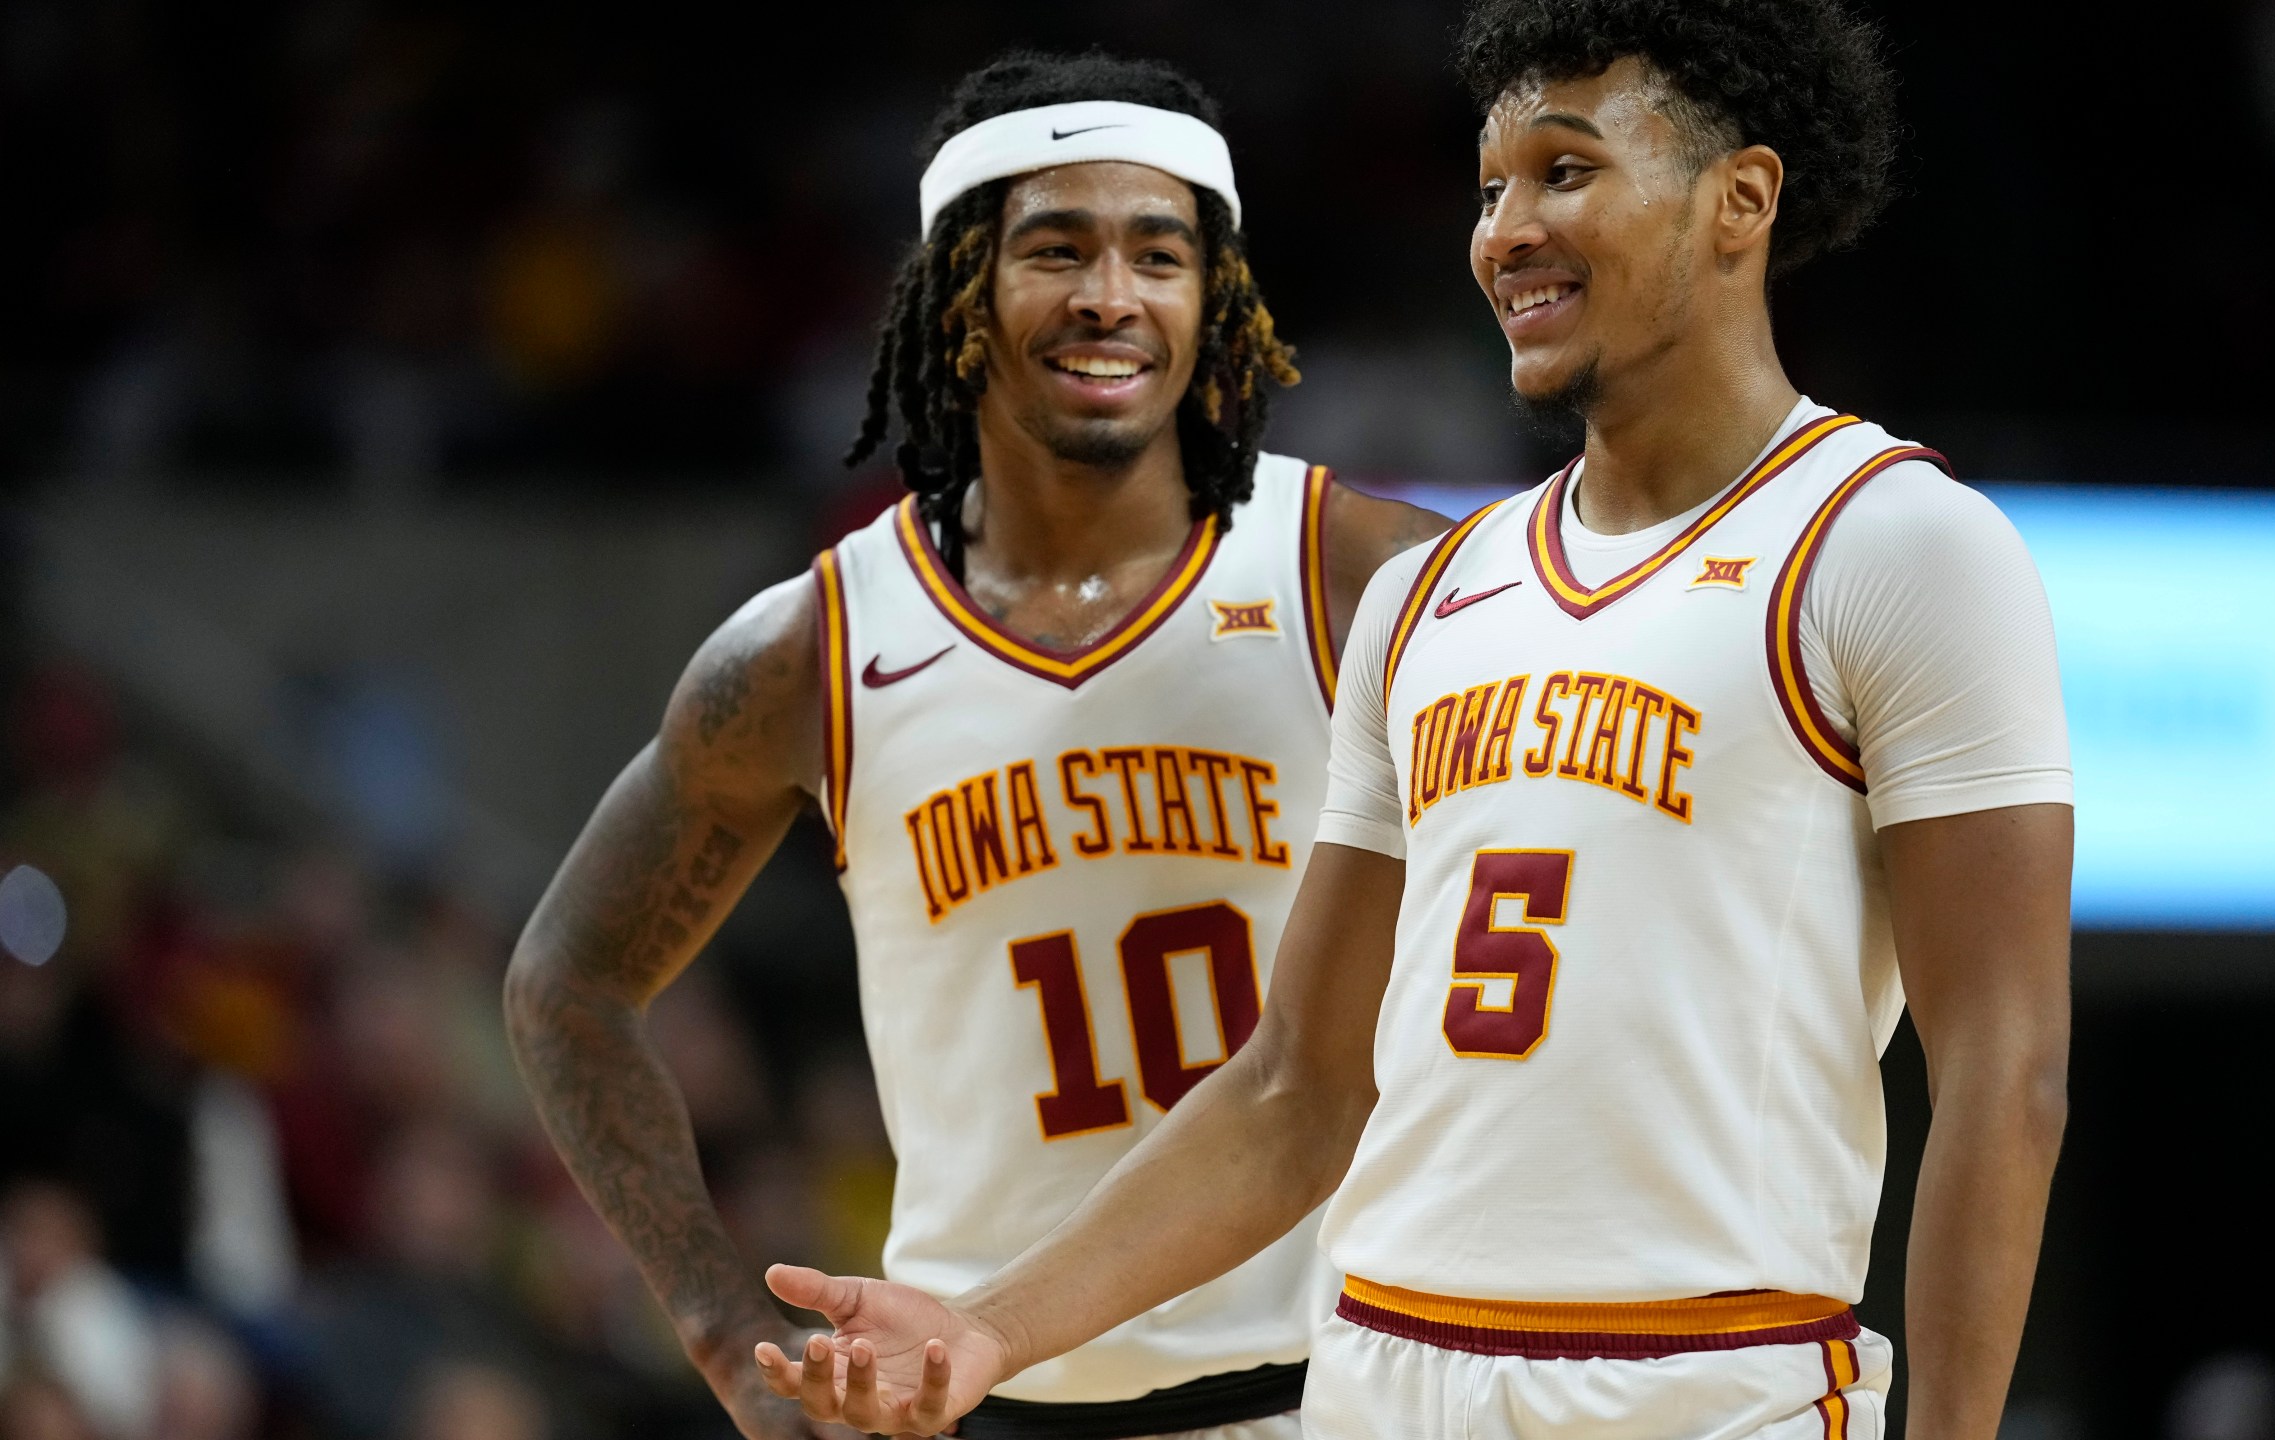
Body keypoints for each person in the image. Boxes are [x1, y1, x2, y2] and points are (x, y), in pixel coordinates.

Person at [752, 3, 2075, 1438]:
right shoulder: (1432, 593)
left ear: (1740, 200)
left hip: (1702, 1386)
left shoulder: (1899, 546)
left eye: (1565, 172)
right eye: (1490, 186)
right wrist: (983, 1328)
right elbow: (1293, 1090)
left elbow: (2007, 1079)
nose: (1504, 230)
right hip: (1379, 1377)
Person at [501, 49, 1445, 1440]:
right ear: (962, 291)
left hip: (1338, 1390)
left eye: (1158, 254)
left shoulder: (1359, 580)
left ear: (1213, 294)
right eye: (1055, 249)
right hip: (973, 1398)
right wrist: (719, 1327)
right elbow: (565, 985)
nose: (1109, 296)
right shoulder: (813, 649)